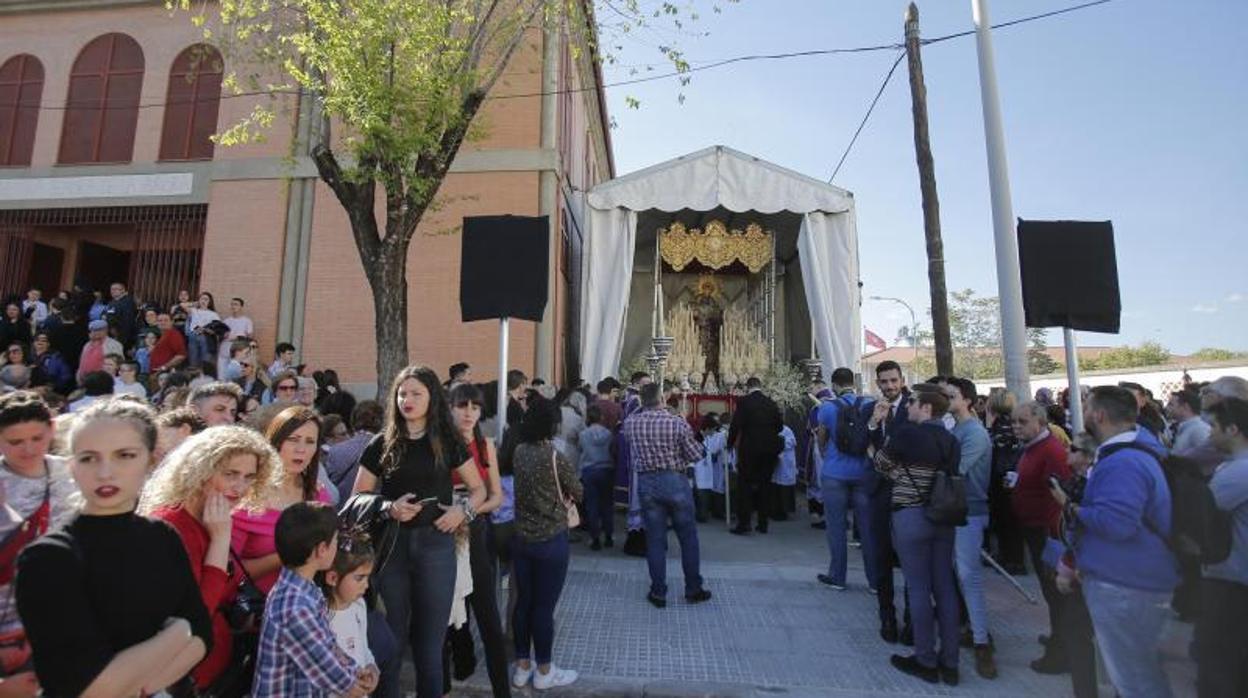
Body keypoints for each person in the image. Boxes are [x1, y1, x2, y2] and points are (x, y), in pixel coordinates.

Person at [15, 398, 212, 697]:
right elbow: (89, 687)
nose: (105, 472)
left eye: (124, 455)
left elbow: (203, 634)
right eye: (89, 458)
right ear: (71, 466)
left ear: (149, 460)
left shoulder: (162, 536)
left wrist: (140, 685)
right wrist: (177, 634)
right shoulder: (48, 557)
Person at [351, 366, 485, 698]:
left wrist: (460, 511)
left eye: (415, 393)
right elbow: (357, 497)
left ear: (431, 398)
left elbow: (479, 490)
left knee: (430, 647)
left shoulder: (447, 440)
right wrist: (388, 507)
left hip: (437, 546)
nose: (406, 400)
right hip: (392, 545)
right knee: (391, 643)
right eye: (401, 393)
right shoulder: (381, 442)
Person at [139, 425, 281, 693]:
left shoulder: (210, 517)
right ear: (201, 469)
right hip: (180, 682)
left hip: (216, 671)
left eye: (249, 477)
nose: (240, 487)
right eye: (230, 474)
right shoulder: (170, 525)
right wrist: (220, 540)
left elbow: (219, 592)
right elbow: (193, 617)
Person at [1061, 385, 1179, 698]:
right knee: (1138, 674)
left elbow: (1117, 524)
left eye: (1087, 408)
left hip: (1126, 584)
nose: (1083, 414)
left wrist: (1074, 508)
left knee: (1135, 680)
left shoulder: (1123, 461)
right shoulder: (1134, 450)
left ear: (1098, 415)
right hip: (1129, 579)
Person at [873, 385, 962, 685]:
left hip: (911, 514)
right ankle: (950, 661)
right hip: (943, 516)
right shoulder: (950, 440)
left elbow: (881, 463)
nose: (908, 406)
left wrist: (901, 476)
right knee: (945, 587)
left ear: (926, 408)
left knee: (918, 587)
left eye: (912, 402)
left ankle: (925, 657)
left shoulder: (908, 434)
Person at [252, 501, 374, 697]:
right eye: (336, 540)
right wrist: (355, 682)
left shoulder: (303, 590)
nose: (338, 545)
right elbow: (331, 672)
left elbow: (328, 645)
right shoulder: (295, 606)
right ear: (322, 550)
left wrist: (356, 669)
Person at [0, 392, 79, 695]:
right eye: (15, 442)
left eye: (37, 437)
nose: (29, 448)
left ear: (52, 429)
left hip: (65, 613)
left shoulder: (74, 471)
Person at [510, 396, 581, 689]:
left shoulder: (518, 451)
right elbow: (577, 491)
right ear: (551, 424)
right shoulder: (554, 456)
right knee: (544, 607)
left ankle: (522, 666)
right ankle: (545, 671)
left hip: (521, 538)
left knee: (523, 603)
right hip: (551, 541)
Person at [445, 382, 510, 697]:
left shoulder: (486, 446)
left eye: (475, 407)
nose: (469, 413)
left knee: (488, 617)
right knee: (445, 618)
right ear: (450, 408)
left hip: (477, 533)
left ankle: (502, 690)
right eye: (462, 406)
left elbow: (497, 496)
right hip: (443, 535)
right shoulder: (439, 444)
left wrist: (466, 513)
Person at [233, 405, 335, 594]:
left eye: (310, 441)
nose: (301, 449)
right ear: (275, 442)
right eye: (293, 440)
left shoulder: (319, 494)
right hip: (256, 612)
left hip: (308, 606)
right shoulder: (247, 497)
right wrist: (287, 556)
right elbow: (230, 573)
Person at [1010, 400, 1073, 674]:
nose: (1016, 427)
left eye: (1022, 422)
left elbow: (1059, 496)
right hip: (1034, 529)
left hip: (1047, 533)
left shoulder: (1051, 451)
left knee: (1056, 594)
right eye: (1014, 422)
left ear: (1040, 421)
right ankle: (1059, 636)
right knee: (1050, 594)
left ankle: (1062, 651)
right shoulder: (1033, 448)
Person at [943, 378, 997, 679]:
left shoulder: (974, 433)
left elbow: (957, 470)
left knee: (968, 575)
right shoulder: (958, 428)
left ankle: (981, 641)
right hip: (956, 509)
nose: (946, 399)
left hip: (969, 510)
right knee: (959, 572)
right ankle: (973, 631)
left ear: (966, 400)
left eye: (951, 395)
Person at [1195, 398, 1248, 697]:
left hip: (1231, 584)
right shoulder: (1233, 468)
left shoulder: (1239, 473)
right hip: (1232, 581)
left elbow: (1197, 515)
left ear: (1233, 429)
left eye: (1213, 427)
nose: (1209, 435)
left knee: (1218, 668)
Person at [816, 367, 878, 592]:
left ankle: (838, 577)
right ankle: (875, 581)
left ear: (834, 385)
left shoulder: (827, 407)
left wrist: (825, 453)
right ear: (853, 383)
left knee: (836, 527)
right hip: (863, 472)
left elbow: (821, 437)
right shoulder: (867, 404)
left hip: (834, 472)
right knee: (868, 528)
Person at [866, 360, 912, 644]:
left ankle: (911, 619)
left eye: (893, 380)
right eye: (884, 382)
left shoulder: (914, 407)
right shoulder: (874, 409)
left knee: (909, 558)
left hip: (907, 490)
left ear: (901, 379)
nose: (889, 386)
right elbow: (863, 442)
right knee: (880, 555)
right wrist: (873, 423)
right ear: (877, 383)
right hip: (880, 491)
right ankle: (886, 615)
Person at [321, 532, 389, 698]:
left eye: (368, 577)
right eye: (359, 578)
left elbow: (363, 648)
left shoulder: (359, 606)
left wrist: (372, 668)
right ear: (332, 578)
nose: (366, 585)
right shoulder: (319, 616)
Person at [727, 377, 784, 535]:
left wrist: (730, 444)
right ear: (760, 386)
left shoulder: (744, 402)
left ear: (748, 387)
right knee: (765, 484)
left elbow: (736, 425)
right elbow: (780, 425)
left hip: (750, 449)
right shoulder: (771, 402)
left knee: (744, 484)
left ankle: (744, 523)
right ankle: (763, 523)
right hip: (769, 450)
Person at [985, 388, 1025, 575]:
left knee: (1004, 519)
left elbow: (990, 446)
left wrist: (988, 424)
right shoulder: (1015, 423)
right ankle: (1013, 558)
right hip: (1012, 475)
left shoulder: (999, 425)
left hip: (1000, 476)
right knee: (1011, 520)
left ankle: (1011, 558)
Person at [324, 400, 383, 504]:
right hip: (377, 511)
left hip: (342, 512)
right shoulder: (390, 450)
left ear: (353, 421)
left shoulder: (335, 451)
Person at [578, 403, 615, 549]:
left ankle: (595, 538)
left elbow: (581, 449)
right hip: (606, 469)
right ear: (601, 417)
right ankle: (609, 535)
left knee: (591, 505)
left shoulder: (583, 434)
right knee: (607, 504)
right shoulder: (608, 433)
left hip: (589, 470)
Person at [1167, 385, 1212, 455]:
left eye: (1171, 404)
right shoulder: (1187, 428)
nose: (1167, 408)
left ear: (1185, 407)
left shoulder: (1199, 430)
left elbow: (1210, 458)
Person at [217, 297, 253, 378]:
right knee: (222, 376)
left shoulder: (247, 321)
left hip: (238, 353)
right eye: (232, 304)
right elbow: (219, 337)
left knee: (236, 376)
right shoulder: (226, 321)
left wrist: (237, 338)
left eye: (236, 304)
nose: (233, 306)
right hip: (224, 351)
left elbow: (250, 337)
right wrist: (223, 336)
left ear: (241, 307)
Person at [105, 282, 138, 350]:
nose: (113, 291)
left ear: (123, 290)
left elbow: (128, 322)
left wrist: (121, 338)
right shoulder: (112, 302)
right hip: (109, 336)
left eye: (116, 289)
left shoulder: (127, 303)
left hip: (120, 337)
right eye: (112, 289)